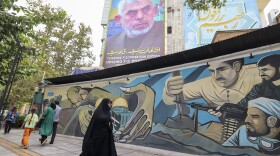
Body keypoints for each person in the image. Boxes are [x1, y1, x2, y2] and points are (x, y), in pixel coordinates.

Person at [163, 58, 262, 107]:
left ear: (236, 66)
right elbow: (171, 100)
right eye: (212, 71)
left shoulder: (259, 74)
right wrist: (168, 90)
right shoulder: (205, 85)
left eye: (222, 69)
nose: (216, 76)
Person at [104, 0, 164, 68]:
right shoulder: (109, 44)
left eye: (146, 9)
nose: (140, 16)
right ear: (119, 19)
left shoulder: (166, 30)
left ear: (154, 11)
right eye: (131, 13)